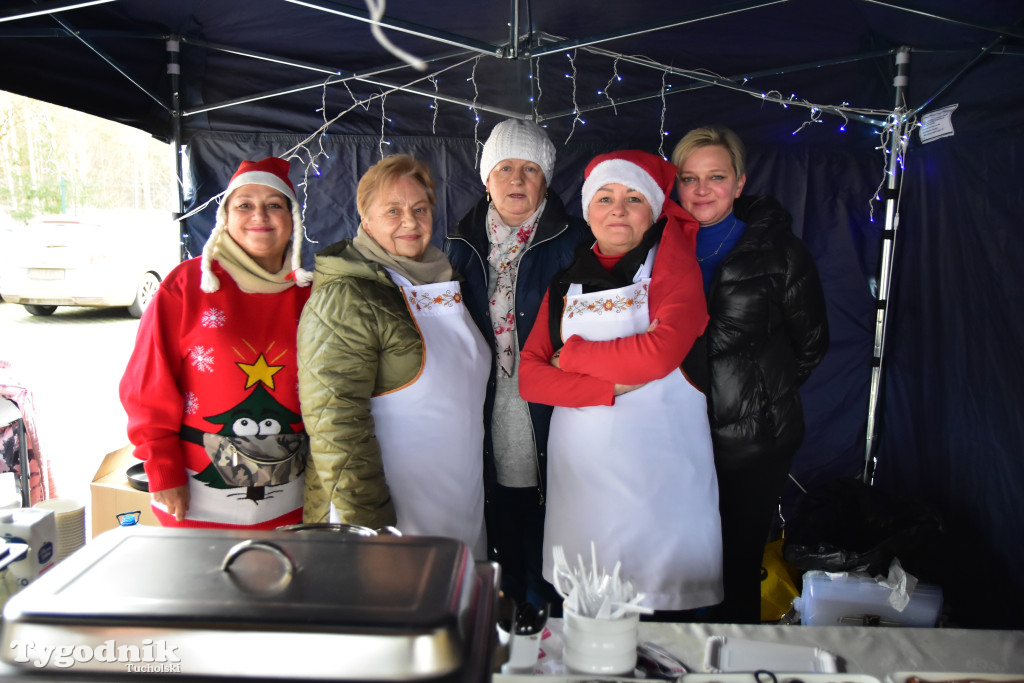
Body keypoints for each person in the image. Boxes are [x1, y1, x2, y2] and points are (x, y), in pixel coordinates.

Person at [520, 150, 723, 615]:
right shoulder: (563, 284)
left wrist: (571, 358)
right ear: (588, 210)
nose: (617, 208)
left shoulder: (675, 275)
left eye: (633, 198)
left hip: (660, 485)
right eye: (605, 197)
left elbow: (658, 355)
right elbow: (531, 379)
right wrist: (605, 389)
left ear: (652, 212)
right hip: (582, 485)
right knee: (587, 619)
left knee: (659, 623)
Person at [671, 125, 829, 623]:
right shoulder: (656, 247)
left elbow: (811, 344)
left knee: (736, 567)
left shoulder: (781, 252)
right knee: (679, 563)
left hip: (753, 443)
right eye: (689, 178)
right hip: (672, 435)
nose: (701, 190)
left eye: (715, 177)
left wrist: (756, 396)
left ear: (739, 183)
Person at [299, 154, 488, 559]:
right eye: (393, 210)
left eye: (420, 209)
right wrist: (372, 528)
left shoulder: (445, 279)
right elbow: (334, 423)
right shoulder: (346, 293)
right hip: (389, 518)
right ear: (365, 219)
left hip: (456, 500)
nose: (410, 221)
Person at [120, 156, 312, 528]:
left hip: (293, 496)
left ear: (293, 220)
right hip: (195, 495)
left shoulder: (312, 293)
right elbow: (147, 385)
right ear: (226, 216)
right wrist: (162, 468)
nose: (260, 215)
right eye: (245, 205)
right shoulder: (186, 286)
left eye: (274, 205)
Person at [445, 119, 588, 609]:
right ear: (487, 179)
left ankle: (550, 626)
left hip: (553, 408)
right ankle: (508, 626)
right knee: (499, 521)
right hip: (482, 408)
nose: (517, 180)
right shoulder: (458, 245)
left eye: (530, 169)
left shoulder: (577, 242)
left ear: (546, 180)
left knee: (551, 526)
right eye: (504, 167)